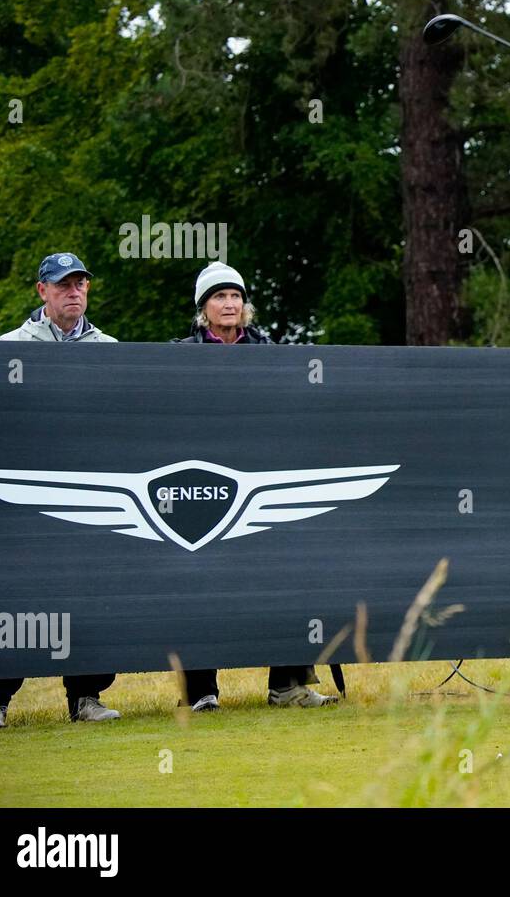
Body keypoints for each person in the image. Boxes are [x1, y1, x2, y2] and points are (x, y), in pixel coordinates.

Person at [170, 261, 339, 710]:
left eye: (236, 296)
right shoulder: (178, 355)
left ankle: (287, 685)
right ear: (203, 307)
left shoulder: (272, 353)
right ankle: (201, 692)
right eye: (219, 296)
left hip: (261, 482)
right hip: (201, 487)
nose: (229, 304)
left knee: (286, 575)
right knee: (199, 584)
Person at [0, 253, 121, 728]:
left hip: (91, 489)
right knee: (14, 594)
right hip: (28, 492)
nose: (73, 291)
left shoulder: (110, 349)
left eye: (80, 284)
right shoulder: (9, 347)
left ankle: (86, 697)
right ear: (42, 291)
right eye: (63, 285)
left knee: (91, 591)